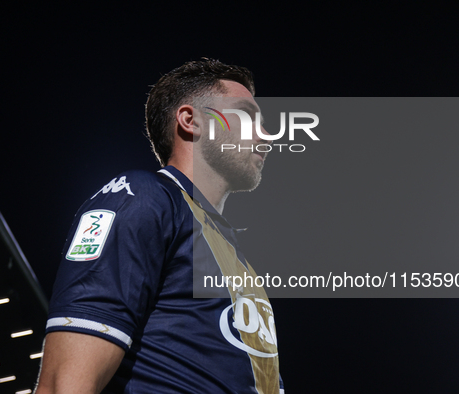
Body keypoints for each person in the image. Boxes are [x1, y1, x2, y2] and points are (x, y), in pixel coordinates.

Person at [35, 59, 283, 394]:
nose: (265, 135)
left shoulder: (236, 258)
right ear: (190, 121)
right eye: (245, 115)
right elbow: (63, 384)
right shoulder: (142, 198)